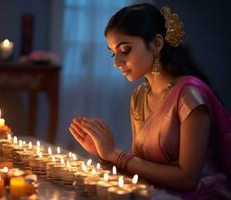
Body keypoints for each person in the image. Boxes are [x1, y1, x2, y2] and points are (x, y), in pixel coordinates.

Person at [69, 3, 231, 199]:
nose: (116, 62)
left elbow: (188, 179)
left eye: (125, 50)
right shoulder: (139, 96)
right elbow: (140, 167)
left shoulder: (190, 95)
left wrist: (116, 154)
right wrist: (105, 155)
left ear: (156, 44)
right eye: (113, 53)